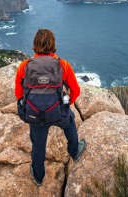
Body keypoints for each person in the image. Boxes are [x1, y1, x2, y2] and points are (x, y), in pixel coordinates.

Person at [15, 29, 86, 186]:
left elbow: (18, 93)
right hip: (58, 111)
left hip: (34, 114)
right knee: (70, 123)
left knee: (38, 145)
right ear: (53, 45)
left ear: (35, 45)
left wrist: (28, 105)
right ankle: (74, 152)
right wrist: (66, 104)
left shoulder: (24, 66)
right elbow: (75, 91)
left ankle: (38, 177)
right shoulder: (62, 65)